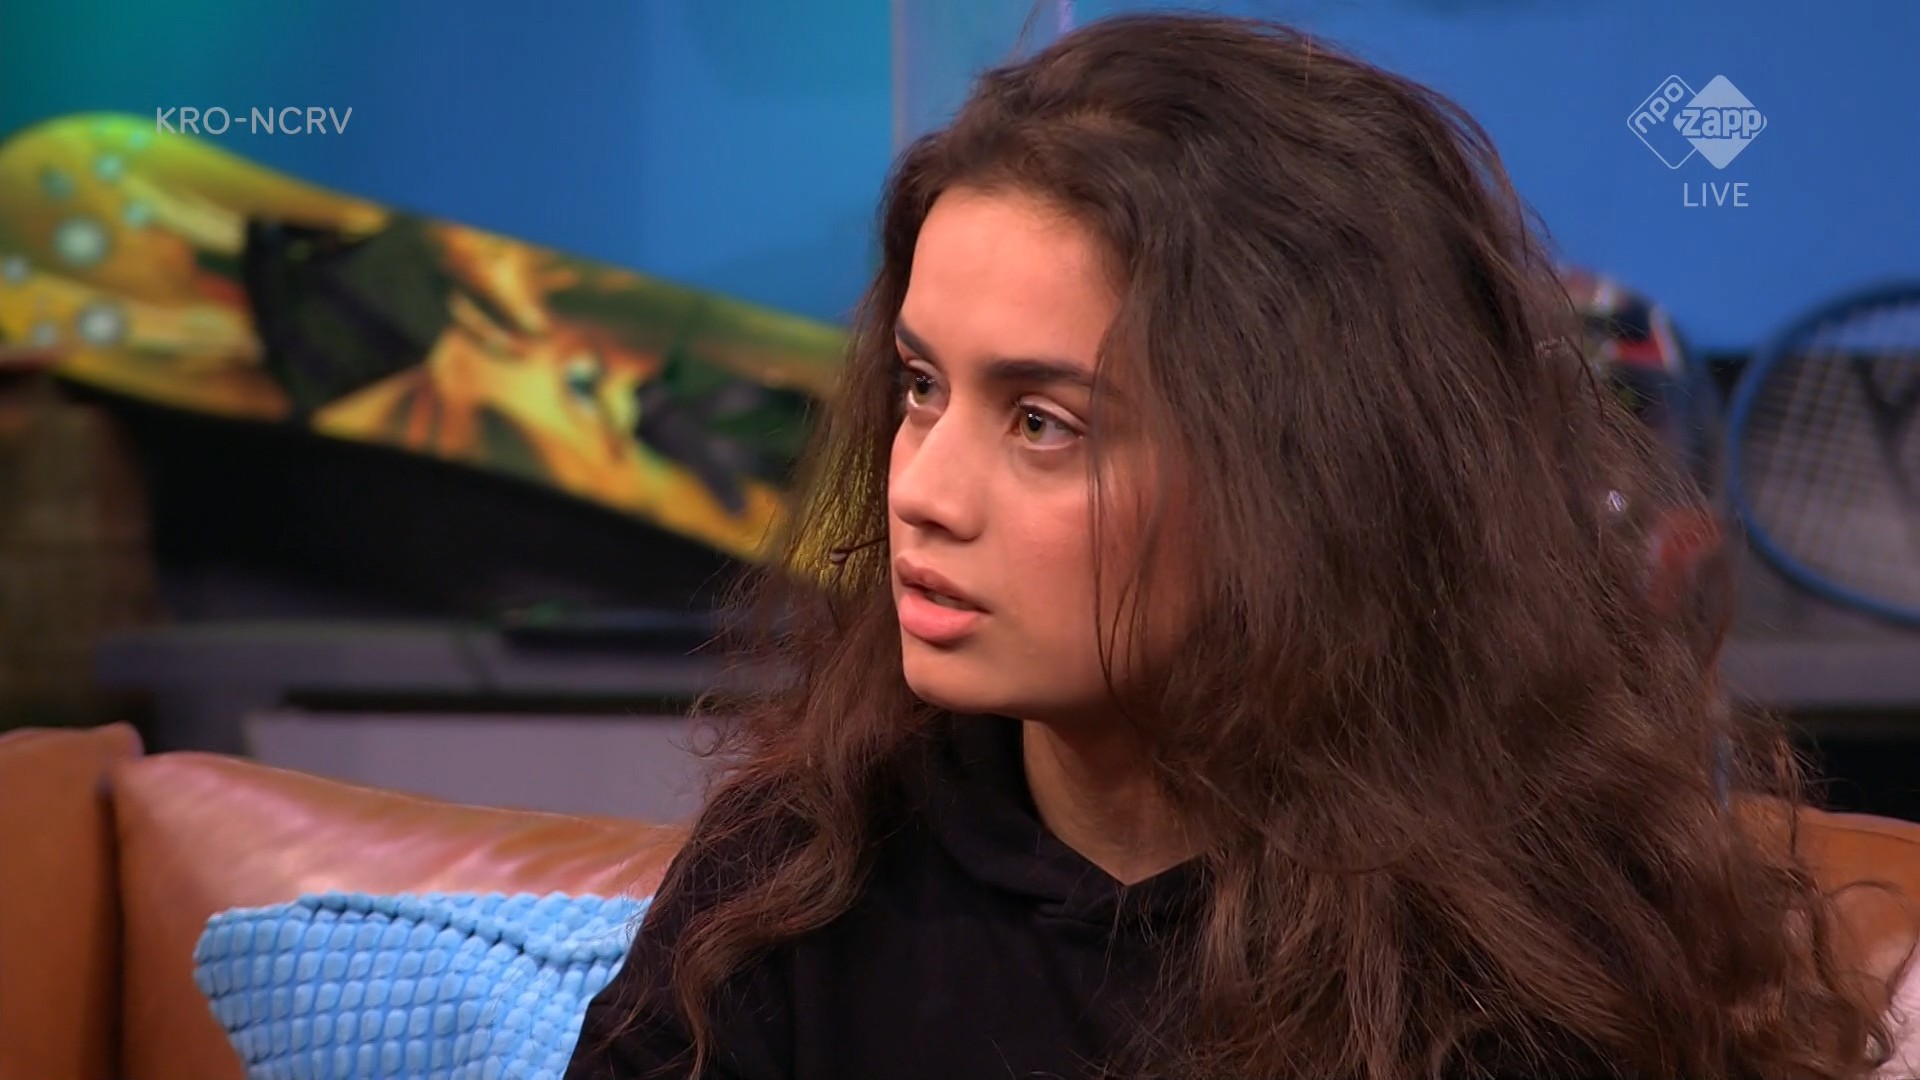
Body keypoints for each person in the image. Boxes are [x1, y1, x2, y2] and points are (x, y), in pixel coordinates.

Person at [567, 12, 1905, 1080]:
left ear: (1300, 477)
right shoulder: (799, 883)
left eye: (1040, 423)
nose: (920, 489)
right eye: (922, 387)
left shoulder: (1543, 965)